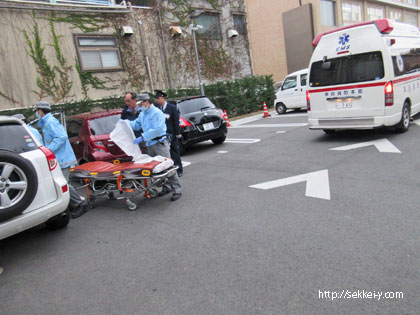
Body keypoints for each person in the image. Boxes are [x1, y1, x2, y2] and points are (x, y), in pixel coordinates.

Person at [35, 101, 87, 218]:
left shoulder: (50, 122)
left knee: (64, 184)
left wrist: (48, 150)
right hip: (60, 159)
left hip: (63, 159)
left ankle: (80, 204)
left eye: (37, 111)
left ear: (41, 111)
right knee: (63, 184)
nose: (36, 113)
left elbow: (61, 136)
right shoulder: (47, 122)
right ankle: (74, 204)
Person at [130, 94, 182, 201]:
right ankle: (166, 187)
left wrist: (143, 137)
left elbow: (158, 129)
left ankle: (177, 189)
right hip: (150, 145)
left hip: (160, 143)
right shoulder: (143, 114)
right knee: (157, 169)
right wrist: (126, 123)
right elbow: (136, 125)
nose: (140, 106)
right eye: (139, 104)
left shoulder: (157, 113)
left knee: (168, 167)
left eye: (141, 104)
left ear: (147, 102)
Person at [154, 90, 183, 177]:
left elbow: (176, 121)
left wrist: (177, 133)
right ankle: (169, 170)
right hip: (162, 135)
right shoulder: (158, 108)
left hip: (171, 134)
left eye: (158, 99)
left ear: (162, 98)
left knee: (174, 152)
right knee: (166, 154)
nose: (156, 101)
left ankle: (179, 169)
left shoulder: (172, 107)